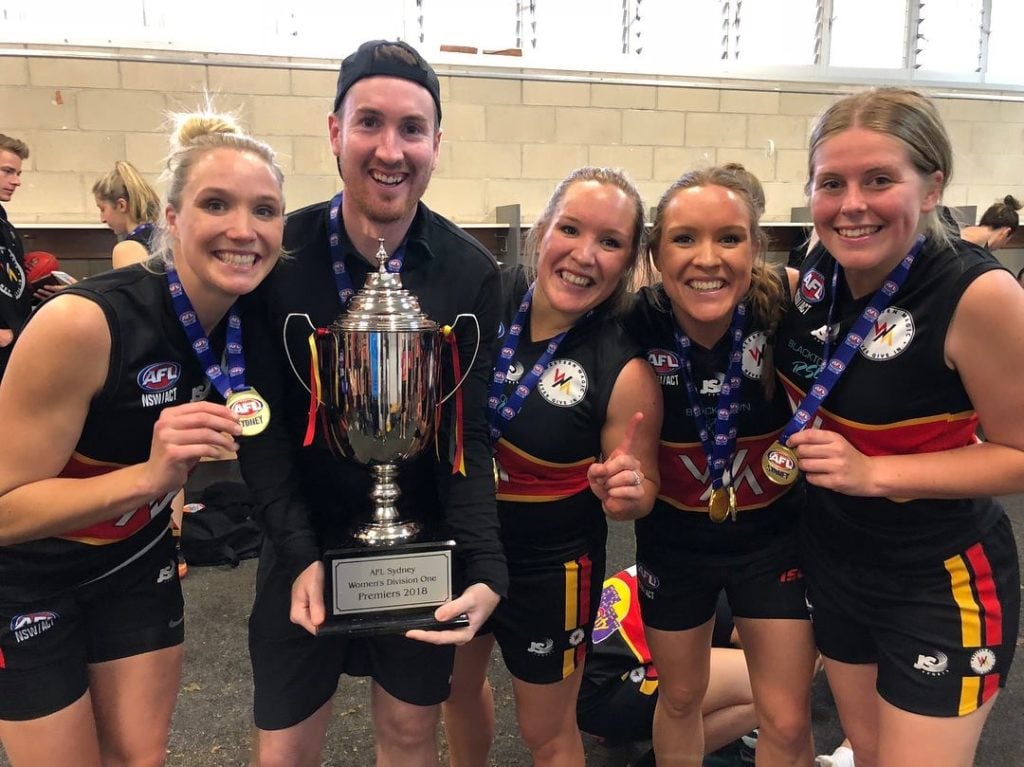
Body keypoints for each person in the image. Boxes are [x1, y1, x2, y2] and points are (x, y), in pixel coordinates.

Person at [236, 39, 507, 767]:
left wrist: (486, 564)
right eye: (370, 123)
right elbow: (258, 432)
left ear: (436, 144)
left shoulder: (471, 273)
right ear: (335, 131)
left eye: (412, 129)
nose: (391, 149)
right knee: (285, 747)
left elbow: (467, 433)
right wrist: (296, 552)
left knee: (413, 734)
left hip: (416, 547)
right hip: (301, 543)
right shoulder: (277, 257)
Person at [0, 110, 285, 765]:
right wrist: (152, 480)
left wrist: (169, 505)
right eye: (217, 204)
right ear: (174, 219)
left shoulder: (251, 317)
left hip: (136, 561)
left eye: (265, 210)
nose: (243, 229)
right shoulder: (84, 323)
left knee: (139, 757)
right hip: (28, 579)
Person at [775, 87, 1021, 767]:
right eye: (832, 183)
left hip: (939, 577)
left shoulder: (979, 295)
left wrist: (873, 472)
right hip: (835, 560)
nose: (852, 203)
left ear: (933, 184)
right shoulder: (819, 269)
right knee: (871, 753)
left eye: (879, 179)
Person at [442, 166, 662, 767]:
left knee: (547, 731)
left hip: (552, 568)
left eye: (610, 242)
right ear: (542, 230)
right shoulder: (484, 302)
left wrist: (627, 491)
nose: (584, 255)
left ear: (629, 259)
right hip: (461, 542)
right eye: (570, 228)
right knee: (456, 690)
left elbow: (641, 491)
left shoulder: (624, 361)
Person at [624, 164, 818, 767]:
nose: (707, 258)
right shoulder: (633, 322)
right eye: (684, 238)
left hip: (775, 543)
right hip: (674, 546)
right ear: (655, 252)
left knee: (785, 712)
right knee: (681, 697)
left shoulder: (784, 307)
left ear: (754, 247)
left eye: (728, 238)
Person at [577, 567, 758, 767]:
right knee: (769, 689)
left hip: (582, 681)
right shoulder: (738, 583)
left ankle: (622, 730)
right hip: (607, 690)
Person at [0, 133, 32, 382]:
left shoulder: (5, 225)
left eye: (18, 174)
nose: (16, 181)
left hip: (15, 349)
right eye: (8, 171)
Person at [93, 160, 162, 267]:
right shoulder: (164, 237)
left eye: (103, 209)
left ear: (122, 205)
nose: (102, 219)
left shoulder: (126, 250)